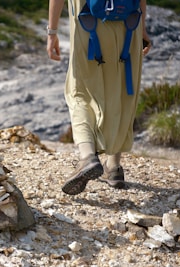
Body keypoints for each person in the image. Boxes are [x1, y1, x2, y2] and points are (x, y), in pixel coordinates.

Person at [47, 0, 152, 195]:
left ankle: (88, 156)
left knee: (79, 92)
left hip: (88, 23)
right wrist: (143, 28)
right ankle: (113, 167)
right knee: (120, 90)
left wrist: (52, 32)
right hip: (129, 25)